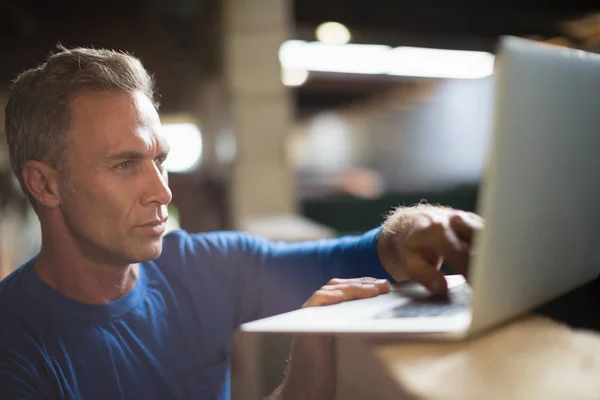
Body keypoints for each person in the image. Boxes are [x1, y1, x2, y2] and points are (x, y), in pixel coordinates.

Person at [0, 46, 483, 400]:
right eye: (125, 165)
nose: (162, 191)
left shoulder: (200, 265)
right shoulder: (14, 346)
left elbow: (378, 253)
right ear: (45, 185)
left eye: (160, 160)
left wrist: (424, 226)